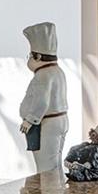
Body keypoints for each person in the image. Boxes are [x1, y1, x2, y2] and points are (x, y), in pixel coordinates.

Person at [18, 22, 68, 175]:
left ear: (38, 57)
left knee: (46, 167)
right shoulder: (58, 71)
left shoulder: (43, 75)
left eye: (30, 56)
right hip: (60, 120)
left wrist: (30, 119)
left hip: (47, 125)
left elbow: (42, 101)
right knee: (55, 163)